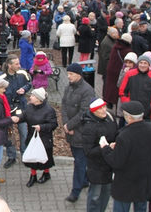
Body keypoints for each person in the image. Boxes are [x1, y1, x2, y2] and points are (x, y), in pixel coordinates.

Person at [100, 101, 151, 212]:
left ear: (129, 117)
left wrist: (105, 148)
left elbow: (116, 162)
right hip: (143, 183)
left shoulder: (124, 135)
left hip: (126, 186)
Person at [62, 63, 95, 202]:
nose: (68, 76)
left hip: (81, 131)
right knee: (79, 157)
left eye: (71, 74)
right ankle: (85, 180)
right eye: (68, 74)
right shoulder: (69, 87)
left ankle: (75, 192)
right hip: (70, 129)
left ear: (79, 75)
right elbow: (63, 105)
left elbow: (84, 112)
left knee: (79, 161)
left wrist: (70, 125)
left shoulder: (87, 90)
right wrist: (66, 124)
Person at [15, 88, 58, 187]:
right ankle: (33, 176)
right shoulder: (30, 106)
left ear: (39, 99)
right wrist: (18, 118)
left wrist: (41, 127)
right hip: (32, 137)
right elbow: (24, 115)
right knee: (32, 158)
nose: (30, 97)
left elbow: (53, 124)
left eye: (33, 96)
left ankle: (46, 173)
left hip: (44, 139)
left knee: (45, 158)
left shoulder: (49, 110)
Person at [82, 98, 117, 212]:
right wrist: (104, 147)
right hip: (97, 167)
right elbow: (88, 152)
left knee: (106, 193)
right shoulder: (89, 127)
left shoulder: (110, 117)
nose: (104, 110)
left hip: (109, 163)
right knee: (95, 197)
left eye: (104, 107)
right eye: (100, 108)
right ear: (93, 111)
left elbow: (116, 132)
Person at [0, 55, 32, 168]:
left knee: (23, 132)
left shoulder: (22, 73)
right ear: (9, 65)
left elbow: (30, 83)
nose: (19, 65)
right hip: (7, 110)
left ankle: (25, 154)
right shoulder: (0, 77)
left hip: (21, 108)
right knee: (9, 133)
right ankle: (11, 156)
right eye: (16, 64)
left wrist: (25, 89)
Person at [119, 54, 151, 121]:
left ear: (149, 65)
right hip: (131, 113)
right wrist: (128, 105)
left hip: (146, 114)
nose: (143, 65)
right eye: (141, 63)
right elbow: (122, 92)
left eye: (145, 63)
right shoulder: (129, 74)